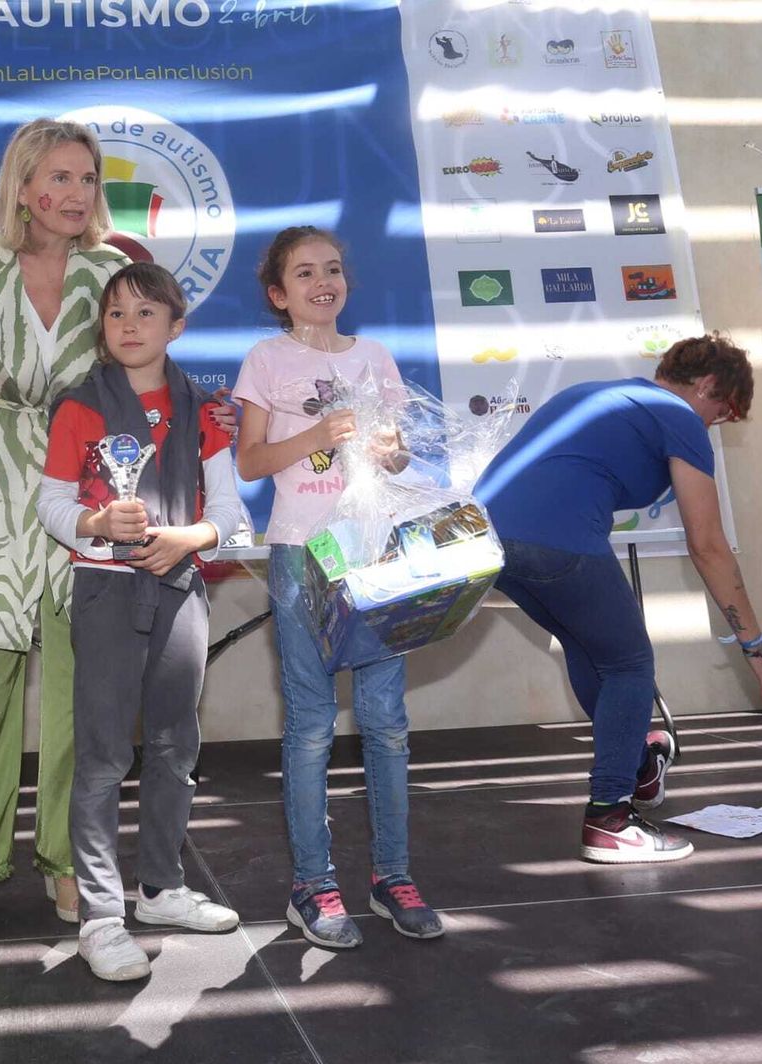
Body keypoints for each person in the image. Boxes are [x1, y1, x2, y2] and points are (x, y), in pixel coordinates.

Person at [473, 333, 762, 864]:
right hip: (556, 540)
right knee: (629, 664)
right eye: (724, 412)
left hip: (491, 544)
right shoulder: (679, 415)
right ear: (707, 385)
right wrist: (756, 648)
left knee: (589, 647)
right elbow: (708, 545)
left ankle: (641, 765)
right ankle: (610, 821)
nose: (715, 424)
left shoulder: (602, 394)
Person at [0, 118, 128, 935]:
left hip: (87, 487)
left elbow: (140, 374)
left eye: (88, 178)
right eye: (60, 177)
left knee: (86, 686)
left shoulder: (112, 273)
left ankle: (72, 861)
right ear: (24, 185)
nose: (77, 194)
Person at [233, 226, 443, 951]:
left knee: (386, 720)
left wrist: (389, 449)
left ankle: (393, 875)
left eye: (332, 269)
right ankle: (312, 884)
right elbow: (251, 461)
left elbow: (400, 457)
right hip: (302, 553)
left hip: (375, 552)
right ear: (278, 294)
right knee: (311, 723)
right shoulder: (266, 360)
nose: (323, 282)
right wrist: (318, 435)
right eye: (304, 273)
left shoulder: (375, 356)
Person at [38, 263, 243, 981]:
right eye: (116, 313)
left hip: (181, 587)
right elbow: (52, 505)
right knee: (102, 757)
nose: (129, 326)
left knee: (174, 747)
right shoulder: (79, 406)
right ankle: (101, 916)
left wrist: (190, 538)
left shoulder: (204, 411)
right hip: (105, 590)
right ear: (102, 327)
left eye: (146, 313)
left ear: (175, 327)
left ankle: (160, 889)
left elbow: (231, 514)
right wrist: (96, 524)